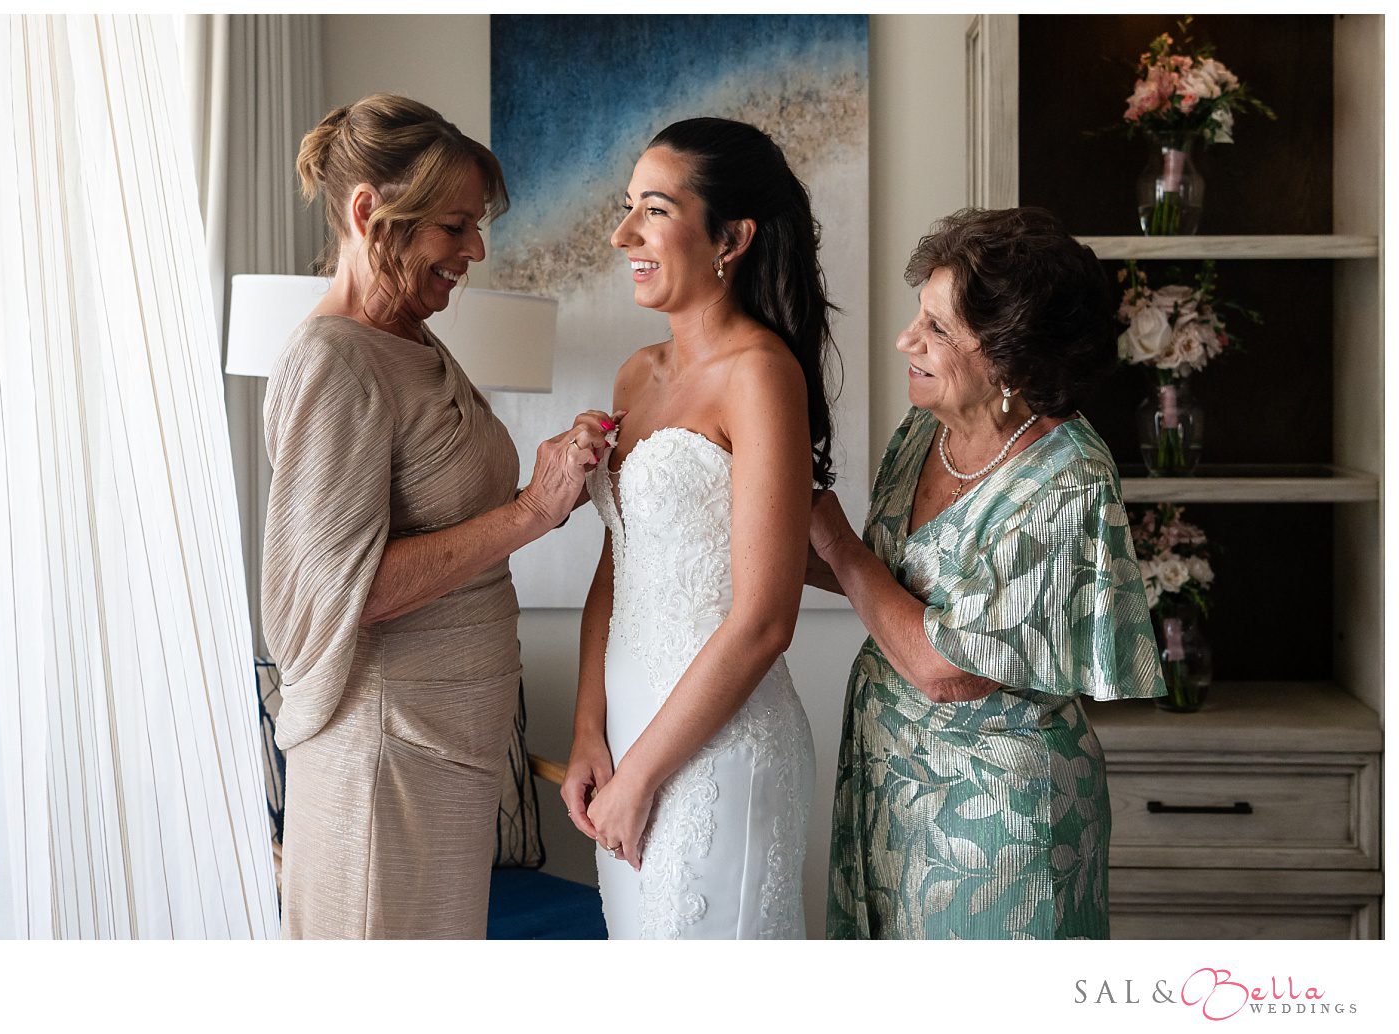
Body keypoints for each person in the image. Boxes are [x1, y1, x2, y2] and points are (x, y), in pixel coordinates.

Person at [261, 94, 608, 939]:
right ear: (369, 213)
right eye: (456, 226)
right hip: (381, 759)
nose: (476, 250)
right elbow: (347, 590)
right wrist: (531, 511)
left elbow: (451, 520)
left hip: (443, 750)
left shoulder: (412, 338)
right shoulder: (333, 361)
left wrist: (554, 487)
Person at [808, 206, 1166, 940]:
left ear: (1013, 358)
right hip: (891, 784)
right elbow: (889, 582)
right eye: (920, 314)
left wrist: (837, 540)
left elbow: (949, 669)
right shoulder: (927, 428)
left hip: (999, 823)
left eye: (938, 329)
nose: (907, 339)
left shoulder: (1069, 476)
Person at [561, 118, 832, 939]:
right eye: (625, 208)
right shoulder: (634, 375)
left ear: (732, 237)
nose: (623, 234)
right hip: (625, 739)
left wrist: (642, 775)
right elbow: (619, 568)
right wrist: (587, 734)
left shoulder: (761, 376)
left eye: (654, 209)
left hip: (718, 748)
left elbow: (764, 620)